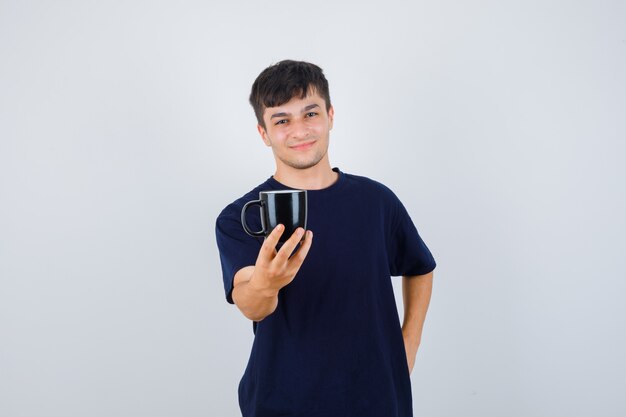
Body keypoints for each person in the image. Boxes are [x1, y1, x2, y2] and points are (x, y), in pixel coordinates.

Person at [215, 60, 436, 417]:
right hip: (283, 402)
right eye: (282, 120)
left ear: (330, 116)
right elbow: (250, 304)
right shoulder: (242, 216)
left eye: (310, 113)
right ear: (264, 133)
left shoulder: (376, 201)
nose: (300, 130)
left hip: (378, 400)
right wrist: (266, 283)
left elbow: (420, 267)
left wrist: (408, 344)